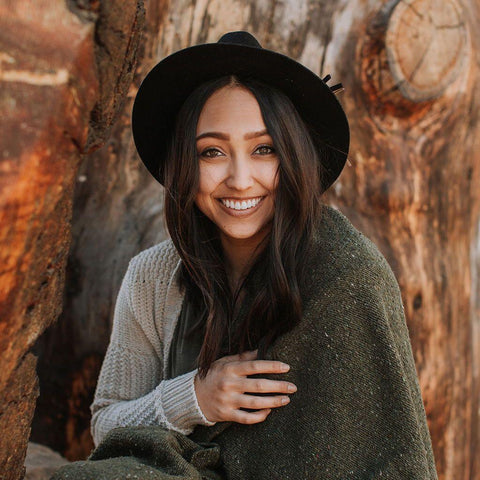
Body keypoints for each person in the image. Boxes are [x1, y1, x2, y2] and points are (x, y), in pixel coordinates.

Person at [54, 31, 438, 479]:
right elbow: (106, 425)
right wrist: (196, 397)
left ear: (293, 157)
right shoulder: (153, 277)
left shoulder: (347, 276)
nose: (239, 179)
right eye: (212, 152)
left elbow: (381, 454)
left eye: (263, 149)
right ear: (184, 163)